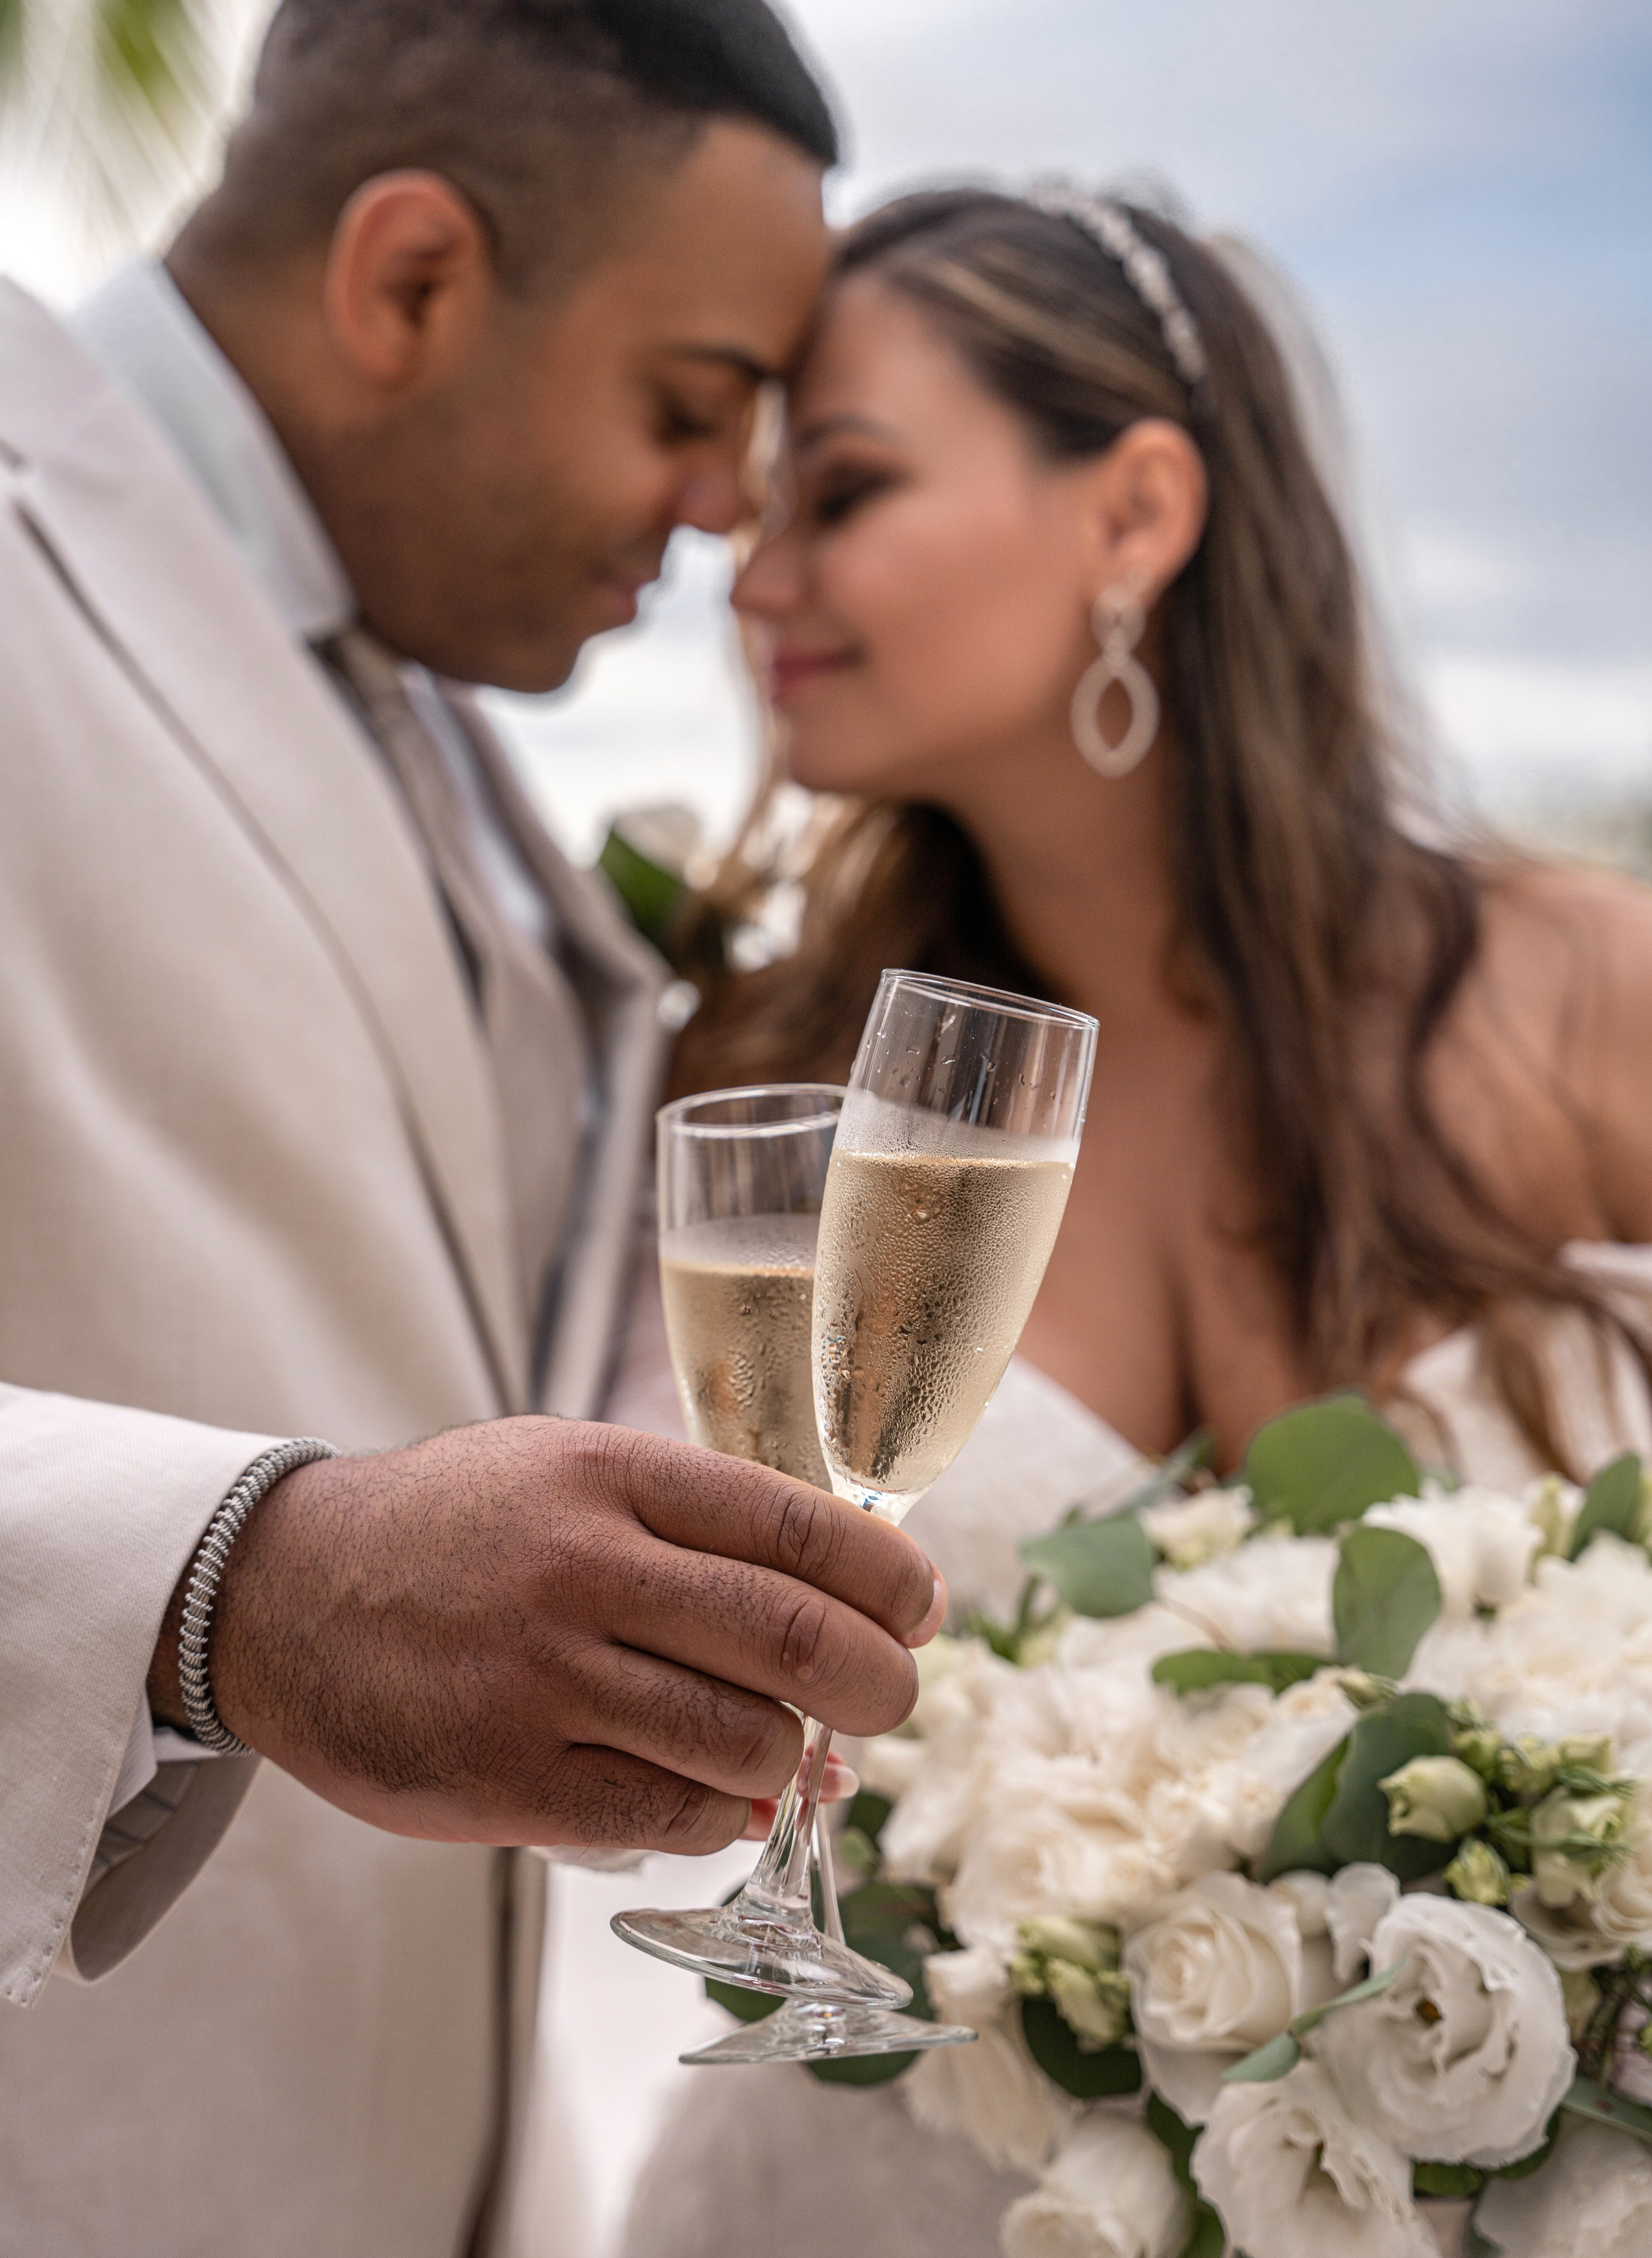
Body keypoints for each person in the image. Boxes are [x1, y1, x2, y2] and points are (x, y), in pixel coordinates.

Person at [0, 0, 944, 2258]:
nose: (731, 514)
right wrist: (237, 1588)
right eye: (692, 404)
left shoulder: (446, 737)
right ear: (411, 275)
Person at [618, 183, 1652, 2255]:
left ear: (1135, 511)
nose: (760, 578)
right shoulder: (762, 1076)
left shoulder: (1582, 997)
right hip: (872, 2191)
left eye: (843, 490)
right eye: (751, 515)